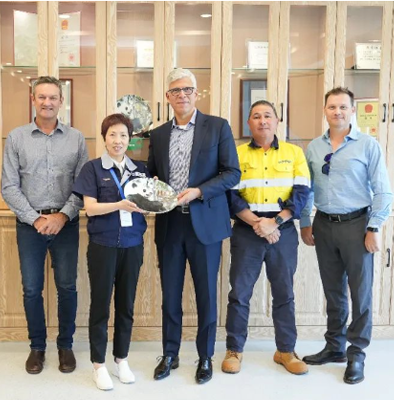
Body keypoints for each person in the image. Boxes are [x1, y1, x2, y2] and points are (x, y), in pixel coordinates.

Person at [148, 68, 241, 384]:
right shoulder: (158, 134)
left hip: (205, 223)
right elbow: (152, 175)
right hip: (170, 223)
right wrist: (152, 191)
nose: (182, 95)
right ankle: (169, 354)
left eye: (187, 89)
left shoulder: (217, 127)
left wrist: (199, 191)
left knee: (206, 295)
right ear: (167, 97)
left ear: (196, 93)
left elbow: (232, 173)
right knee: (170, 294)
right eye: (175, 90)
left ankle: (205, 356)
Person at [300, 87, 393, 384]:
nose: (337, 112)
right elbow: (307, 189)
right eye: (332, 107)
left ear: (353, 110)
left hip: (357, 225)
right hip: (324, 224)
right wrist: (305, 222)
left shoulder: (368, 145)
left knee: (360, 292)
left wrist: (374, 227)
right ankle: (335, 346)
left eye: (343, 107)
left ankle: (357, 352)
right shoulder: (314, 147)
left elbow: (383, 191)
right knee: (333, 291)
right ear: (325, 111)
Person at [1, 76, 89, 375]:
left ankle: (65, 346)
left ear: (61, 101)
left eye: (53, 97)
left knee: (67, 287)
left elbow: (83, 185)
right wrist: (36, 218)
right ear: (33, 99)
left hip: (66, 224)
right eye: (42, 97)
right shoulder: (16, 137)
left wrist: (62, 216)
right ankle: (37, 347)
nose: (47, 102)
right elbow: (9, 186)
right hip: (30, 225)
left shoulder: (76, 138)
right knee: (31, 289)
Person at [222, 100, 310, 375]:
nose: (262, 121)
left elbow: (302, 193)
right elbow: (230, 195)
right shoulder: (236, 154)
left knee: (284, 293)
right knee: (239, 294)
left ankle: (286, 350)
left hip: (282, 230)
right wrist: (258, 223)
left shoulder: (294, 153)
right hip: (247, 230)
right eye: (256, 116)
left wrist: (275, 222)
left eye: (268, 116)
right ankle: (234, 350)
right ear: (249, 123)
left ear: (277, 121)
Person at [73, 114, 149, 390]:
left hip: (132, 244)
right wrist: (120, 205)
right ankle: (98, 364)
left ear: (130, 139)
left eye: (123, 135)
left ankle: (121, 359)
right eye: (112, 135)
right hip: (103, 246)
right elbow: (90, 208)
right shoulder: (92, 169)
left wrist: (149, 204)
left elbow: (147, 205)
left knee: (126, 305)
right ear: (104, 138)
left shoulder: (140, 170)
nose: (118, 140)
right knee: (101, 305)